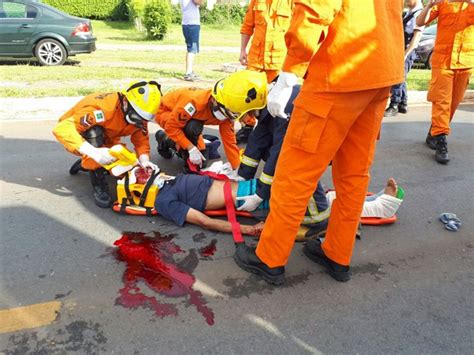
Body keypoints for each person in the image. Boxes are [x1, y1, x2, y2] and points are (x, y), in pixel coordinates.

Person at [233, 0, 405, 285]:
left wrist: (289, 73)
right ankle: (337, 255)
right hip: (379, 72)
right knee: (353, 175)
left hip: (337, 73)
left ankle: (270, 258)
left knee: (294, 174)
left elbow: (315, 8)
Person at [147, 169, 403, 236]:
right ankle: (382, 206)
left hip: (256, 187)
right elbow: (203, 221)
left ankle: (377, 201)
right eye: (137, 173)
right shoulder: (164, 201)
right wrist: (248, 229)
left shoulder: (170, 180)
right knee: (311, 201)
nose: (141, 169)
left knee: (313, 193)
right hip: (250, 201)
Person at [237, 84, 330, 237]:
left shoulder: (284, 109)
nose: (245, 121)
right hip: (303, 132)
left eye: (246, 116)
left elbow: (278, 155)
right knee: (274, 156)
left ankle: (318, 221)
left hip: (312, 138)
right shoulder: (270, 103)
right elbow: (257, 140)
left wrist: (260, 195)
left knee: (298, 170)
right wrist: (242, 175)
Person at [52, 81, 162, 208]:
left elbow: (141, 140)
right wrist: (94, 153)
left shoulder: (139, 113)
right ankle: (97, 179)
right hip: (77, 138)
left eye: (143, 119)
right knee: (94, 133)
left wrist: (144, 159)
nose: (140, 122)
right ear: (126, 103)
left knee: (126, 164)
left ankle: (87, 163)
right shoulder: (103, 110)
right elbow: (62, 129)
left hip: (110, 138)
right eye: (137, 117)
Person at [155, 70, 267, 172]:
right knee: (192, 129)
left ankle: (182, 147)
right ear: (216, 102)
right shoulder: (193, 103)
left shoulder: (227, 110)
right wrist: (191, 148)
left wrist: (237, 169)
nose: (230, 118)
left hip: (192, 120)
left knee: (202, 160)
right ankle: (165, 139)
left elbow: (229, 141)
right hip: (167, 113)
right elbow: (172, 127)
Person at [417, 0, 473, 164]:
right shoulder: (443, 3)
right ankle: (441, 141)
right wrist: (428, 5)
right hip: (443, 60)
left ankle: (434, 133)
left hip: (466, 62)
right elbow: (420, 22)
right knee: (442, 100)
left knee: (453, 103)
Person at [236, 0, 294, 143]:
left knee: (274, 99)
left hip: (278, 61)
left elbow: (299, 31)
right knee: (247, 95)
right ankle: (248, 127)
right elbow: (247, 26)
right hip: (255, 59)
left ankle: (271, 131)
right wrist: (242, 50)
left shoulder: (292, 2)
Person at [384, 0, 424, 117]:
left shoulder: (419, 14)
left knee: (397, 77)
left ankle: (394, 105)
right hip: (401, 50)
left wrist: (405, 54)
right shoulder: (410, 12)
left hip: (407, 50)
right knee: (402, 77)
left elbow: (416, 39)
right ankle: (403, 104)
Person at [180, 0, 203, 81]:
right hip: (191, 24)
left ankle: (189, 71)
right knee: (192, 49)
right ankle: (188, 73)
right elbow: (199, 2)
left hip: (188, 23)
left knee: (190, 48)